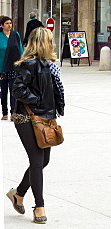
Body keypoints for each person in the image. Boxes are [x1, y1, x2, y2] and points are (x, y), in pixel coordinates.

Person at [7, 27, 65, 225]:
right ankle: (39, 206)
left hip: (45, 117)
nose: (53, 43)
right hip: (27, 118)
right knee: (37, 161)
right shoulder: (29, 65)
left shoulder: (50, 65)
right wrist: (38, 101)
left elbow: (55, 91)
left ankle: (18, 194)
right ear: (43, 43)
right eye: (50, 40)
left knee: (43, 160)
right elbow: (17, 90)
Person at [0, 16, 24, 119]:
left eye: (10, 23)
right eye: (7, 23)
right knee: (3, 90)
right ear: (1, 25)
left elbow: (21, 49)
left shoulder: (16, 35)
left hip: (14, 67)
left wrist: (23, 62)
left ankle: (13, 112)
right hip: (2, 68)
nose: (9, 25)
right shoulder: (0, 36)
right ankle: (4, 113)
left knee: (13, 90)